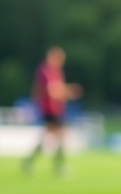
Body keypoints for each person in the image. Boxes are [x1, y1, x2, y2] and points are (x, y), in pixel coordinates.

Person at [22, 47, 82, 176]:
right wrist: (69, 91)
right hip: (50, 108)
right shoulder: (46, 71)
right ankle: (58, 166)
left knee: (49, 137)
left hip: (55, 108)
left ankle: (29, 161)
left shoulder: (55, 71)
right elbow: (51, 91)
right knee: (61, 136)